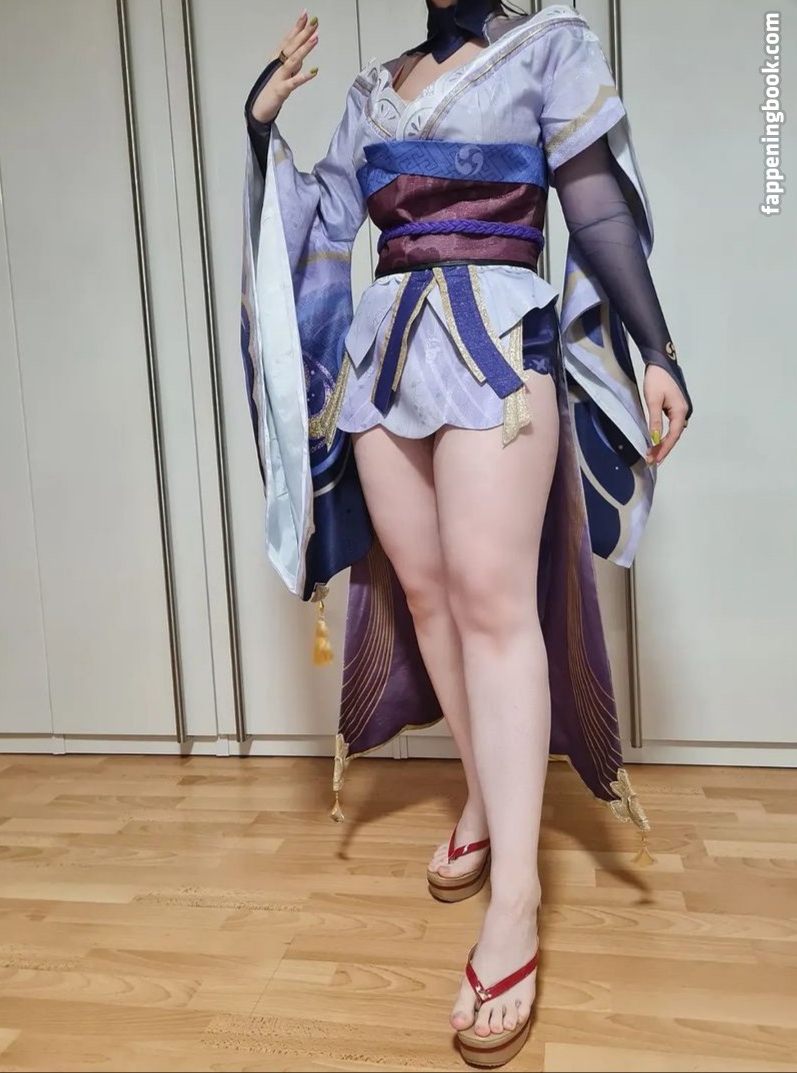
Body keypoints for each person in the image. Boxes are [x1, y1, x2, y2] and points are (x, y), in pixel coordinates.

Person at [241, 1, 692, 1066]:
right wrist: (261, 131)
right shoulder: (370, 90)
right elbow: (323, 223)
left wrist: (657, 348)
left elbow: (595, 202)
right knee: (430, 597)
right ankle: (486, 800)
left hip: (496, 345)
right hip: (386, 357)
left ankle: (518, 902)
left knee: (495, 607)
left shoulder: (551, 46)